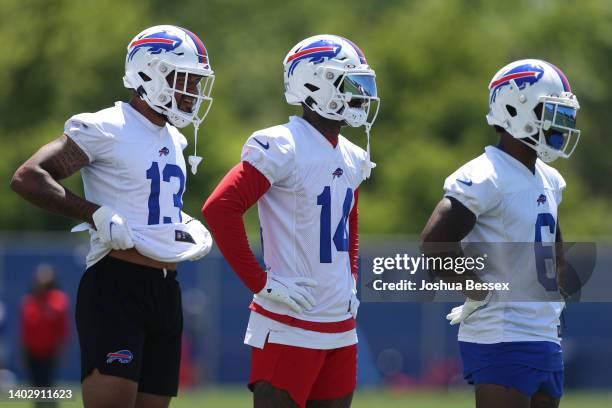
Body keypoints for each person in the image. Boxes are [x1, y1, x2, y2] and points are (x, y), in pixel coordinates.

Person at [11, 25, 214, 408]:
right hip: (117, 285)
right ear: (149, 73)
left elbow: (143, 200)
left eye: (196, 81)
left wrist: (182, 225)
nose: (192, 92)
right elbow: (28, 177)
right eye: (184, 79)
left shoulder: (175, 138)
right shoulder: (107, 126)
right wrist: (94, 213)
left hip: (166, 289)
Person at [202, 34, 379, 408]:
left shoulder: (352, 155)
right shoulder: (281, 144)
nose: (361, 94)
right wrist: (261, 282)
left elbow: (350, 223)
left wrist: (350, 281)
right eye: (350, 83)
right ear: (314, 83)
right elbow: (220, 208)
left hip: (340, 325)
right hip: (289, 323)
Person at [420, 59, 580, 408]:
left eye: (564, 115)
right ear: (515, 107)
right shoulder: (485, 174)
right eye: (551, 112)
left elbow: (552, 241)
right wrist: (478, 291)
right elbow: (434, 242)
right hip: (503, 335)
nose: (559, 124)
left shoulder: (549, 179)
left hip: (543, 333)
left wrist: (556, 293)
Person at [20, 264, 69, 408]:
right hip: (32, 353)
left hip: (49, 353)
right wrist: (23, 353)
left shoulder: (58, 300)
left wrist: (61, 352)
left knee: (47, 385)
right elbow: (24, 332)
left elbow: (63, 331)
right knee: (36, 387)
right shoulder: (29, 302)